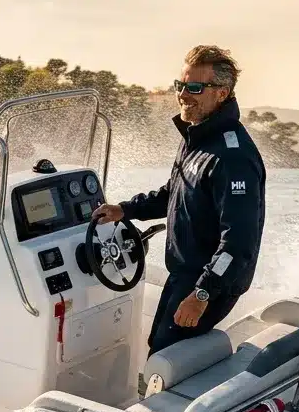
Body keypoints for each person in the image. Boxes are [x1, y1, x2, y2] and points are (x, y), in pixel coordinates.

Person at [92, 44, 265, 357]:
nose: (183, 94)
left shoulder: (232, 156)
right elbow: (175, 192)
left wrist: (202, 294)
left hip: (209, 283)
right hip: (185, 275)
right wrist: (126, 210)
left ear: (222, 93)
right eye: (180, 85)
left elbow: (239, 243)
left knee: (163, 355)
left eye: (195, 87)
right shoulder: (197, 138)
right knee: (156, 346)